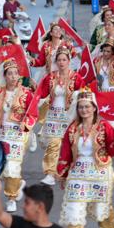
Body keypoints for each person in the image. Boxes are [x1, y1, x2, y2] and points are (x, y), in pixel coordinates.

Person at [55, 90, 114, 228]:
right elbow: (65, 151)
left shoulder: (104, 126)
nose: (83, 110)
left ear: (94, 108)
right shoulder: (72, 128)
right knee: (75, 205)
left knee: (101, 205)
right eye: (80, 107)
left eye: (87, 107)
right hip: (78, 171)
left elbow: (112, 150)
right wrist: (63, 173)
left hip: (100, 170)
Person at [33, 49, 87, 194]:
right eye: (59, 60)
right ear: (56, 62)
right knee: (53, 143)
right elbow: (40, 93)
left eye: (64, 60)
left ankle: (68, 170)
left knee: (69, 144)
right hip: (53, 115)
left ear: (69, 61)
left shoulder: (76, 77)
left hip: (68, 116)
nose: (62, 62)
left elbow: (83, 95)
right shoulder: (50, 78)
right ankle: (50, 173)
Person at [0, 61, 37, 205]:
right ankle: (17, 185)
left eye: (15, 73)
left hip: (18, 134)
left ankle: (11, 198)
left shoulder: (26, 93)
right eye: (9, 73)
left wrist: (25, 125)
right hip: (1, 133)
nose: (13, 76)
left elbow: (33, 114)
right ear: (5, 76)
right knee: (2, 168)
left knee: (12, 166)